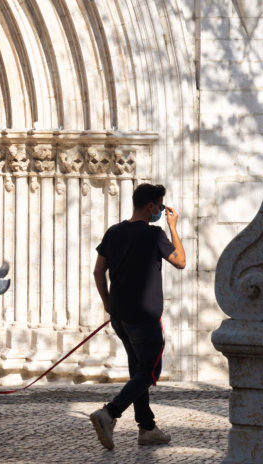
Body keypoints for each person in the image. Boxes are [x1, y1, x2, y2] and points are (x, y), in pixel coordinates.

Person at [89, 183, 186, 450]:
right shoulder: (154, 235)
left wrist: (107, 303)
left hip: (120, 316)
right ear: (151, 207)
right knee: (151, 370)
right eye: (160, 206)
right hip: (145, 317)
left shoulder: (113, 232)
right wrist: (173, 227)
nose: (161, 211)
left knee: (138, 369)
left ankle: (147, 428)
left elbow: (98, 271)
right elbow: (180, 261)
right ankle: (110, 413)